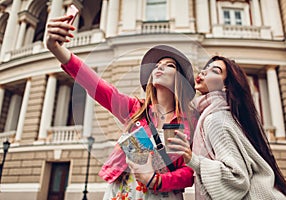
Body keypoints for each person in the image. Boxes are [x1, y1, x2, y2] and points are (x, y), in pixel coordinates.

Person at [46, 15, 196, 200]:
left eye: (169, 65)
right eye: (157, 65)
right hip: (123, 192)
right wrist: (57, 49)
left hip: (162, 195)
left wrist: (156, 180)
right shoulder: (135, 109)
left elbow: (191, 171)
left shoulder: (190, 121)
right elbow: (97, 85)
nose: (159, 68)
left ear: (179, 78)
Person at [168, 56, 286, 199]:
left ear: (226, 86)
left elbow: (237, 178)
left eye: (215, 71)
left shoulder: (216, 119)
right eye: (205, 68)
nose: (203, 72)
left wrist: (193, 160)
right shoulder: (222, 114)